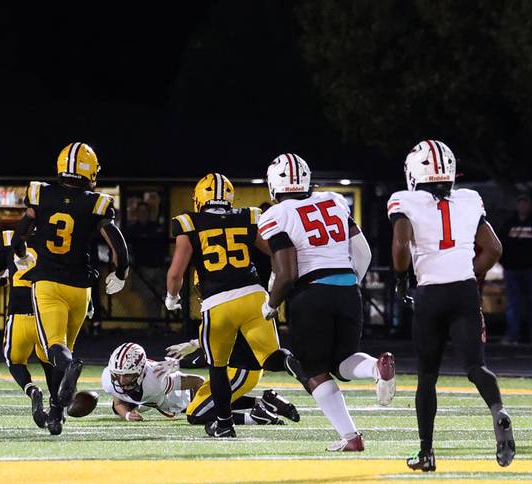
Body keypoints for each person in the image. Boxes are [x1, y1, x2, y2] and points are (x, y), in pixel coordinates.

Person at [389, 140, 514, 471]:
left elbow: (401, 244)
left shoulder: (405, 200)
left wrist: (401, 279)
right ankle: (498, 410)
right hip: (463, 291)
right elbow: (494, 248)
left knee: (427, 375)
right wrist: (468, 272)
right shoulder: (470, 199)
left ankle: (426, 453)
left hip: (430, 292)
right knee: (475, 366)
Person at [258, 153, 395, 453]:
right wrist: (349, 284)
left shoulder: (274, 215)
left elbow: (286, 272)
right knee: (343, 361)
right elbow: (364, 253)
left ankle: (351, 437)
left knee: (312, 369)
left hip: (311, 294)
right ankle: (375, 368)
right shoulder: (333, 200)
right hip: (347, 287)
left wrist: (271, 304)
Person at [11, 142, 130, 435]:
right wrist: (121, 271)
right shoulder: (97, 202)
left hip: (48, 282)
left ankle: (70, 368)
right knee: (63, 349)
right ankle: (56, 414)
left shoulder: (40, 193)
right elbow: (116, 241)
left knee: (55, 349)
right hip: (81, 287)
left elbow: (20, 233)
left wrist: (21, 253)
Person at [166, 172, 281, 438]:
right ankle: (300, 384)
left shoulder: (192, 230)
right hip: (253, 300)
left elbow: (175, 275)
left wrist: (172, 297)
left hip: (237, 354)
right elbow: (276, 252)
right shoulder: (247, 218)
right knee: (274, 357)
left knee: (201, 403)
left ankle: (231, 422)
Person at [0, 231, 52, 427]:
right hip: (46, 317)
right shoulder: (54, 238)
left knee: (14, 361)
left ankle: (31, 389)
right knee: (52, 360)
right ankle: (57, 407)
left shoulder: (10, 240)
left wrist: (3, 280)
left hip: (18, 316)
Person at [167, 334, 302, 426]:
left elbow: (215, 351)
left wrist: (180, 362)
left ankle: (255, 418)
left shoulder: (224, 303)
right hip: (240, 366)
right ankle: (267, 402)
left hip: (240, 370)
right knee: (213, 400)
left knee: (195, 414)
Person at [497, 193, 532, 344]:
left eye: (525, 203)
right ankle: (513, 335)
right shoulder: (509, 223)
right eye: (520, 203)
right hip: (512, 270)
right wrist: (505, 263)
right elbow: (500, 244)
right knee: (513, 304)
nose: (522, 206)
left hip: (529, 269)